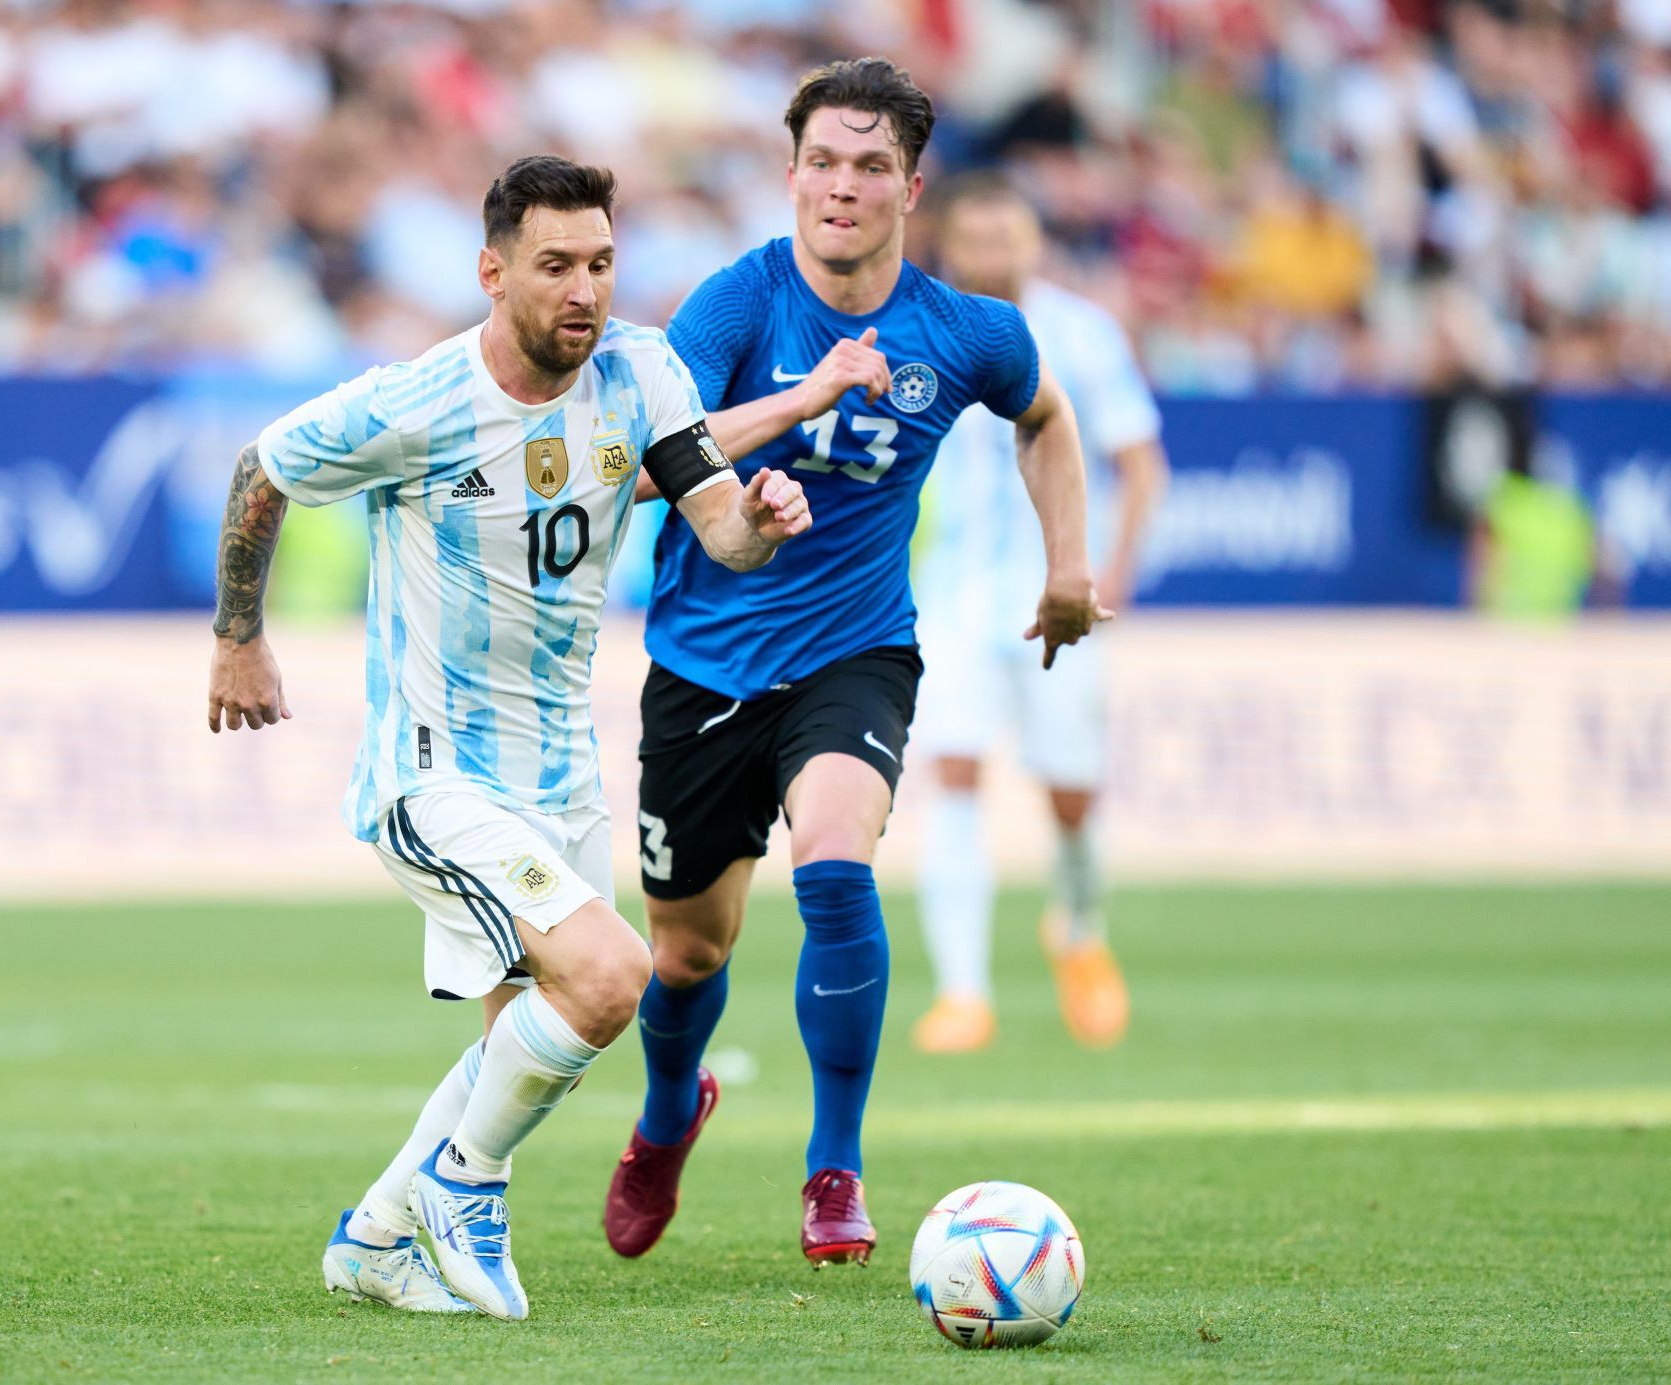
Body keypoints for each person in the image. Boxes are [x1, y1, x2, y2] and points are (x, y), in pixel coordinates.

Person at [204, 155, 811, 1321]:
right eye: (554, 266)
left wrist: (763, 520)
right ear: (492, 271)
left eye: (599, 263)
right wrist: (240, 635)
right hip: (433, 775)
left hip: (563, 774)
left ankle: (377, 1237)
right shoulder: (418, 402)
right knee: (612, 972)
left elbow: (715, 523)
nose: (583, 290)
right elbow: (263, 467)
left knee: (525, 1038)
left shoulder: (641, 369)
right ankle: (459, 1183)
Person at [604, 59, 1109, 1269]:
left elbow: (1046, 416)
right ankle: (669, 1115)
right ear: (790, 176)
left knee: (837, 863)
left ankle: (836, 1170)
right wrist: (805, 401)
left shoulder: (967, 331)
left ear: (910, 186)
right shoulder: (739, 303)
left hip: (857, 653)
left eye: (869, 165)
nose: (842, 185)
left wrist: (1069, 565)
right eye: (823, 161)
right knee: (687, 951)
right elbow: (636, 454)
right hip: (704, 661)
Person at [909, 175, 1170, 1055]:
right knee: (952, 777)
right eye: (974, 240)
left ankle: (1080, 929)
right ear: (949, 246)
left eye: (1006, 238)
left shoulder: (1082, 336)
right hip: (950, 602)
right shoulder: (913, 326)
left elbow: (1143, 463)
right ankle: (962, 994)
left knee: (1070, 796)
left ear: (1035, 244)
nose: (991, 256)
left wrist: (1113, 571)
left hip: (1060, 593)